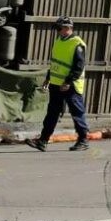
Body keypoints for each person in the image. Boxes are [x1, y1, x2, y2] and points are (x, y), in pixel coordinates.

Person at [26, 16, 89, 152]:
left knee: (77, 113)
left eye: (59, 28)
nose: (58, 31)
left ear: (68, 28)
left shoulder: (77, 44)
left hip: (70, 86)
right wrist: (48, 78)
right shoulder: (59, 41)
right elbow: (55, 63)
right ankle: (43, 140)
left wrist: (68, 82)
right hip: (55, 84)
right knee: (52, 113)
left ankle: (83, 140)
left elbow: (78, 67)